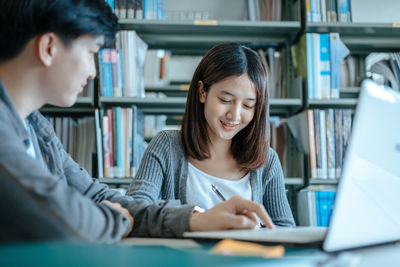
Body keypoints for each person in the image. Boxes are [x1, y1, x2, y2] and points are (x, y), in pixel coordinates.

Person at [0, 0, 275, 244]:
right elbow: (61, 213)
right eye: (91, 52)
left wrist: (194, 219)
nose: (93, 71)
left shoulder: (37, 127)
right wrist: (115, 218)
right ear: (49, 47)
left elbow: (94, 195)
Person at [127, 43, 295, 227]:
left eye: (248, 106)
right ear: (202, 92)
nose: (235, 115)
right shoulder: (167, 146)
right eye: (225, 100)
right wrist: (195, 218)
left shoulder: (267, 161)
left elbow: (284, 229)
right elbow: (133, 210)